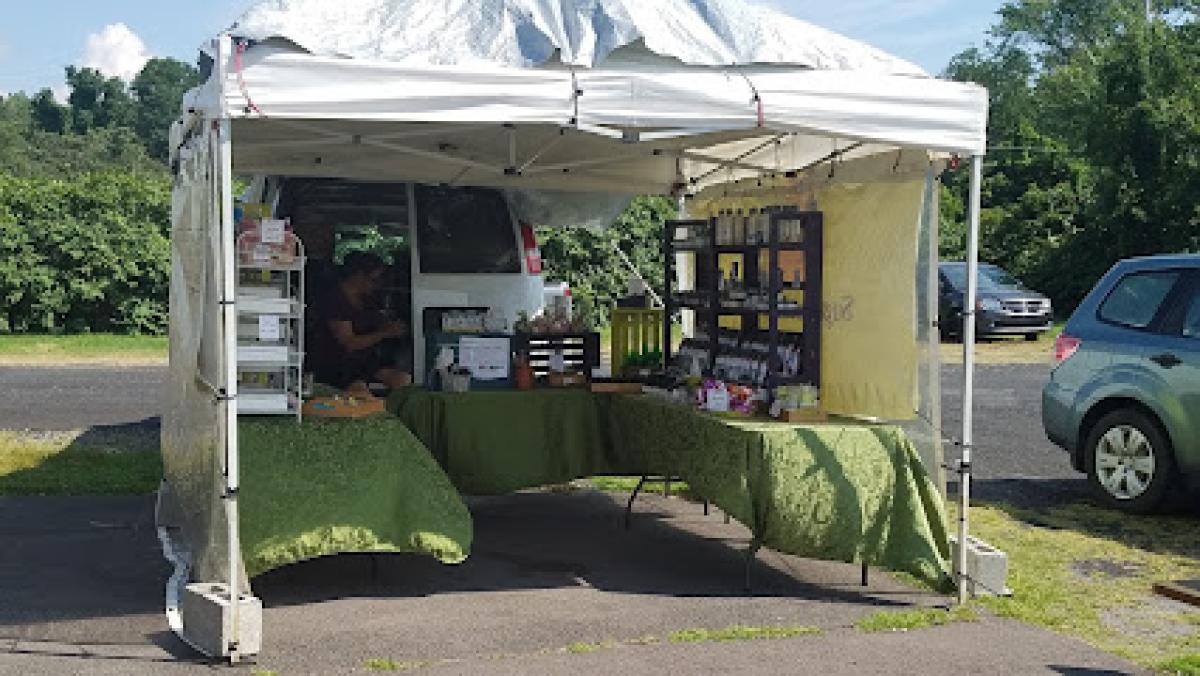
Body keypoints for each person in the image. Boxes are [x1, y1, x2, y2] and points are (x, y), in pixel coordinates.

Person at [308, 252, 411, 398]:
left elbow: (374, 319)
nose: (378, 284)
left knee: (402, 380)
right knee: (360, 391)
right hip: (338, 363)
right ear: (358, 275)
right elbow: (349, 343)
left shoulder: (367, 299)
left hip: (365, 360)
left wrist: (386, 324)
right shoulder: (335, 301)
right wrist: (385, 333)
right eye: (374, 279)